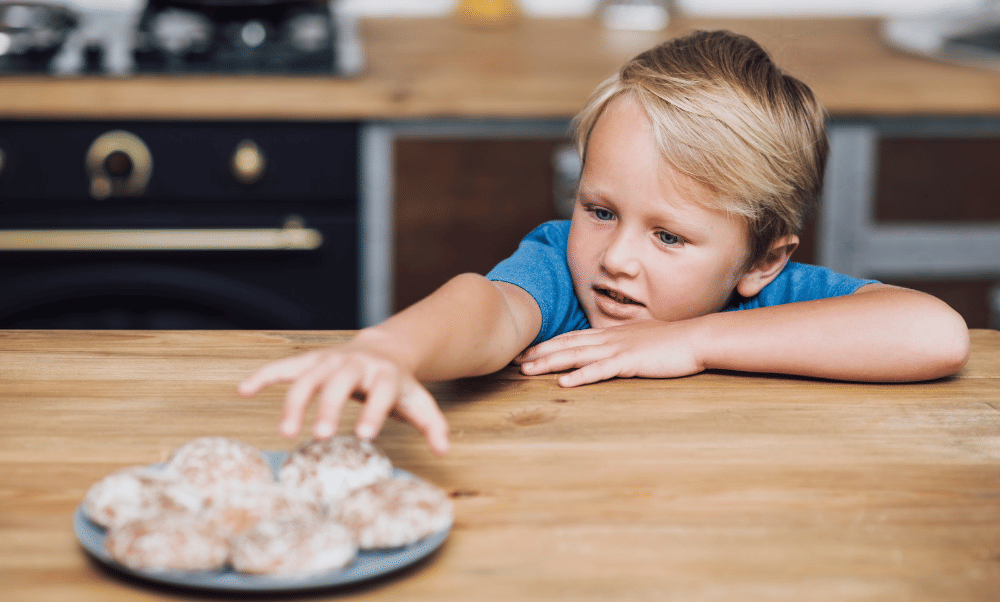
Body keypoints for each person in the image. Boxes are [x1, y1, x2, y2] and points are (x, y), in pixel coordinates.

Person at [238, 30, 971, 456]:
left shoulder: (777, 299)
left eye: (669, 236)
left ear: (762, 260)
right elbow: (484, 308)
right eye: (600, 210)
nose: (617, 258)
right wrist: (389, 349)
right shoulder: (561, 270)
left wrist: (691, 341)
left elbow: (932, 333)